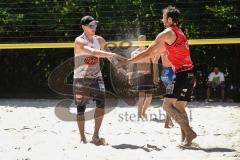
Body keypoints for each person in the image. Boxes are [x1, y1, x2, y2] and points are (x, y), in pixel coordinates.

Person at [127, 6, 197, 146]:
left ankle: (189, 132)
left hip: (181, 74)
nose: (162, 19)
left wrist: (130, 60)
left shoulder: (167, 33)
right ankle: (186, 140)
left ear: (170, 19)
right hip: (190, 74)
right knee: (180, 108)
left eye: (164, 17)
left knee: (166, 106)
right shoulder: (180, 32)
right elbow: (153, 52)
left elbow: (148, 53)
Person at [74, 15, 126, 145]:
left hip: (96, 77)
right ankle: (82, 137)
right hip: (81, 78)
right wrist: (111, 54)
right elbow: (93, 52)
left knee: (101, 104)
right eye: (91, 25)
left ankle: (95, 135)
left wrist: (119, 67)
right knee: (81, 109)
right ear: (83, 27)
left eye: (95, 25)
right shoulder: (79, 41)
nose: (94, 28)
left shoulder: (100, 40)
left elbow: (109, 56)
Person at [128, 35, 159, 118]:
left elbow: (154, 64)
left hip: (148, 75)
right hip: (140, 75)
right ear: (138, 41)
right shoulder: (134, 53)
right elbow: (131, 66)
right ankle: (139, 115)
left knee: (149, 97)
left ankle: (143, 112)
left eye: (144, 40)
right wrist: (130, 77)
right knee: (141, 96)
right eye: (140, 40)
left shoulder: (149, 51)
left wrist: (155, 76)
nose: (142, 41)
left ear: (146, 41)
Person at [158, 51, 175, 128]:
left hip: (164, 73)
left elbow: (155, 60)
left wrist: (155, 75)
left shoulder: (161, 49)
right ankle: (167, 123)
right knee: (171, 100)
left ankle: (169, 121)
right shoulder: (171, 48)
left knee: (169, 98)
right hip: (170, 73)